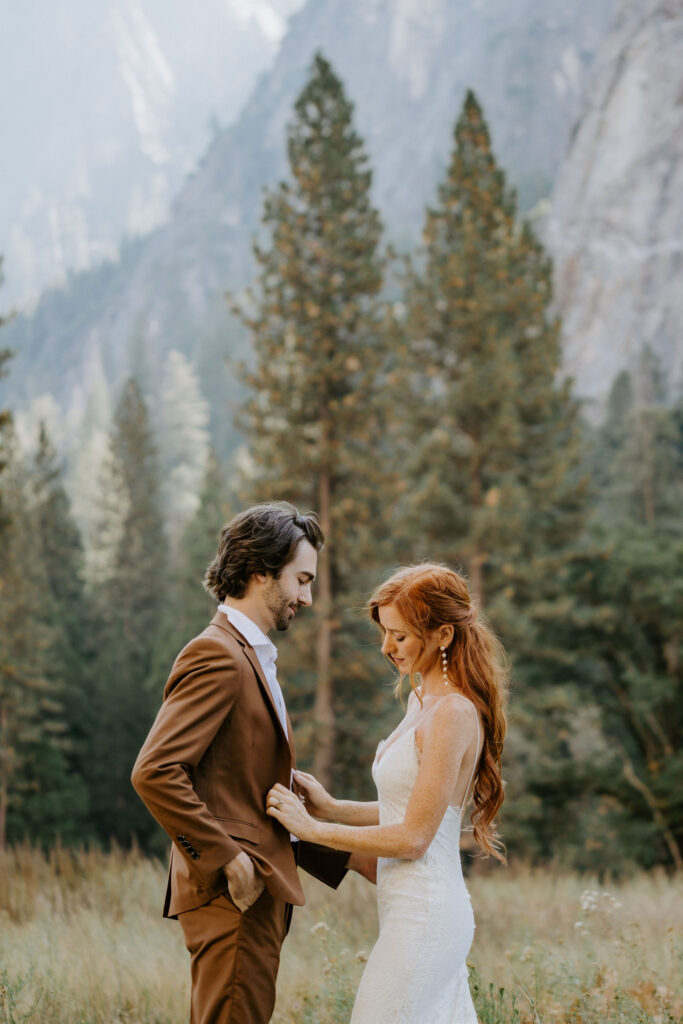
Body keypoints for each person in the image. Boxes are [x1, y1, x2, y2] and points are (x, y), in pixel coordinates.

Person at [132, 502, 371, 1024]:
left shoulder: (250, 655)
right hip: (232, 894)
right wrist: (228, 861)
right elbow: (155, 771)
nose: (307, 598)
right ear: (261, 572)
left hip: (256, 891)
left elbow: (245, 792)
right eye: (301, 580)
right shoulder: (217, 654)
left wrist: (346, 853)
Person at [267, 562, 508, 1024]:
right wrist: (334, 806)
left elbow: (415, 837)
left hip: (427, 916)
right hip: (405, 911)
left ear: (442, 635)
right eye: (385, 633)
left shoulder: (453, 713)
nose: (386, 647)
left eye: (399, 635)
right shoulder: (422, 701)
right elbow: (411, 808)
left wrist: (314, 828)